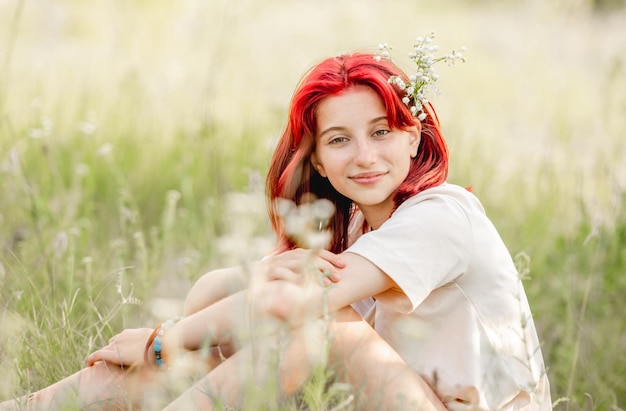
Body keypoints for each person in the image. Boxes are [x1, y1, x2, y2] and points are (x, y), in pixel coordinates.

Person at [1, 39, 551, 410]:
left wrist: (161, 341)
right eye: (339, 140)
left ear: (414, 136)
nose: (364, 155)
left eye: (382, 131)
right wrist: (239, 296)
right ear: (315, 160)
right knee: (230, 293)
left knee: (317, 329)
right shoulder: (360, 233)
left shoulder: (445, 212)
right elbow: (216, 295)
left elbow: (297, 308)